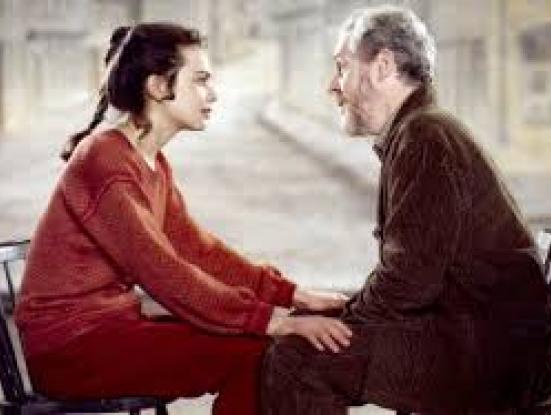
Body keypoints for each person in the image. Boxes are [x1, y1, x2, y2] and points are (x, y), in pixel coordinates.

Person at [14, 23, 353, 415]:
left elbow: (198, 252)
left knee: (268, 346)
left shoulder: (151, 162)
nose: (213, 94)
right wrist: (272, 320)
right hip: (69, 348)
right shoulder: (104, 160)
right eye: (201, 81)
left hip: (110, 330)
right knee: (255, 353)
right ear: (159, 87)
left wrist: (292, 295)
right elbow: (162, 271)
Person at [262, 6, 551, 414]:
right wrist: (342, 312)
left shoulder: (425, 138)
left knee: (298, 358)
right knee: (305, 333)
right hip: (477, 338)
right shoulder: (422, 130)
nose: (332, 86)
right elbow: (410, 278)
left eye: (342, 68)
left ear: (382, 67)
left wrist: (342, 319)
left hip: (487, 357)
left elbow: (408, 283)